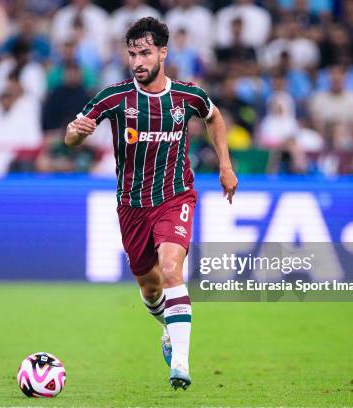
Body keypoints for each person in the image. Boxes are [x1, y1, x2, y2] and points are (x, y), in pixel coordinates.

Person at [64, 17, 238, 390]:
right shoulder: (114, 97)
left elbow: (214, 117)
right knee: (150, 287)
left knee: (172, 267)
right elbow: (71, 136)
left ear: (163, 52)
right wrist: (74, 134)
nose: (138, 61)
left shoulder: (187, 96)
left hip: (175, 196)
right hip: (131, 205)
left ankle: (181, 364)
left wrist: (225, 165)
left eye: (145, 53)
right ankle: (167, 329)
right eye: (132, 54)